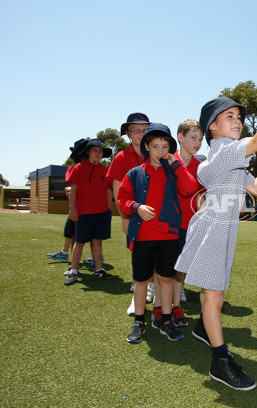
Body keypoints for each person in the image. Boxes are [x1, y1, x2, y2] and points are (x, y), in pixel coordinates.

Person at [174, 75, 257, 390]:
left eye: (240, 118)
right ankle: (220, 361)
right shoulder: (224, 151)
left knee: (213, 291)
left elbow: (255, 189)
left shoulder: (229, 157)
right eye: (229, 116)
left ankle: (205, 328)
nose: (238, 121)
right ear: (212, 128)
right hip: (214, 227)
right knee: (214, 293)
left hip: (221, 226)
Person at [117, 123, 199, 343]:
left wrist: (177, 166)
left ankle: (165, 319)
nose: (160, 151)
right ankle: (139, 321)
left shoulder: (174, 171)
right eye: (155, 146)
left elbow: (190, 189)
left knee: (166, 278)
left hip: (169, 237)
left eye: (165, 147)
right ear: (147, 147)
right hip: (143, 237)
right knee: (141, 280)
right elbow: (122, 200)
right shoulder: (134, 173)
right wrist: (137, 207)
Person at [106, 113, 155, 313]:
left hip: (157, 213)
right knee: (138, 255)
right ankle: (139, 293)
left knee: (160, 254)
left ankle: (156, 289)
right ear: (128, 133)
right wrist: (124, 217)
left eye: (145, 130)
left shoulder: (156, 150)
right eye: (137, 130)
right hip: (134, 215)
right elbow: (118, 192)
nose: (141, 134)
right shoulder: (121, 157)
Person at [167, 119, 206, 328]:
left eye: (200, 139)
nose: (198, 142)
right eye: (193, 138)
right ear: (180, 138)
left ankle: (176, 306)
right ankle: (161, 307)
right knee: (164, 268)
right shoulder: (166, 161)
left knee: (181, 269)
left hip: (189, 226)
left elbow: (201, 196)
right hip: (167, 224)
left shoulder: (201, 167)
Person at [64, 139, 115, 285]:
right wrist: (72, 209)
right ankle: (74, 271)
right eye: (95, 150)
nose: (98, 153)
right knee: (79, 242)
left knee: (97, 242)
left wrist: (108, 210)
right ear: (88, 152)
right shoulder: (79, 168)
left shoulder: (105, 171)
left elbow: (108, 190)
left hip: (102, 213)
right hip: (83, 213)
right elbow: (73, 189)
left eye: (100, 151)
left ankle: (99, 270)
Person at [47, 138, 88, 263]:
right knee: (70, 230)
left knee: (79, 233)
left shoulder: (88, 169)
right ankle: (65, 252)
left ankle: (73, 258)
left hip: (84, 207)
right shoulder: (77, 169)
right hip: (78, 206)